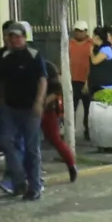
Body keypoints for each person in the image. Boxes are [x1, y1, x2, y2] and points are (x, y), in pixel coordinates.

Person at [0, 21, 51, 199]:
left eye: (17, 36)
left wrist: (39, 102)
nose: (14, 40)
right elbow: (2, 80)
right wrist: (1, 99)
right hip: (10, 108)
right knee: (5, 140)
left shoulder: (34, 55)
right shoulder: (5, 57)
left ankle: (34, 186)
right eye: (11, 36)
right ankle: (19, 180)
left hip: (30, 109)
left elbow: (43, 80)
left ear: (24, 38)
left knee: (31, 148)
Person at [39, 49, 80, 184]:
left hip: (47, 108)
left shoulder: (47, 67)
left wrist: (42, 102)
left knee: (54, 138)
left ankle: (71, 164)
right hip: (27, 109)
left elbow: (57, 90)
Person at [68, 25, 93, 140]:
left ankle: (88, 131)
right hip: (73, 80)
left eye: (81, 31)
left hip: (87, 80)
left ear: (86, 31)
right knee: (71, 107)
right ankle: (69, 131)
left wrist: (88, 80)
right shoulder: (69, 43)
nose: (79, 33)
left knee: (88, 108)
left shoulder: (91, 43)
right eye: (77, 31)